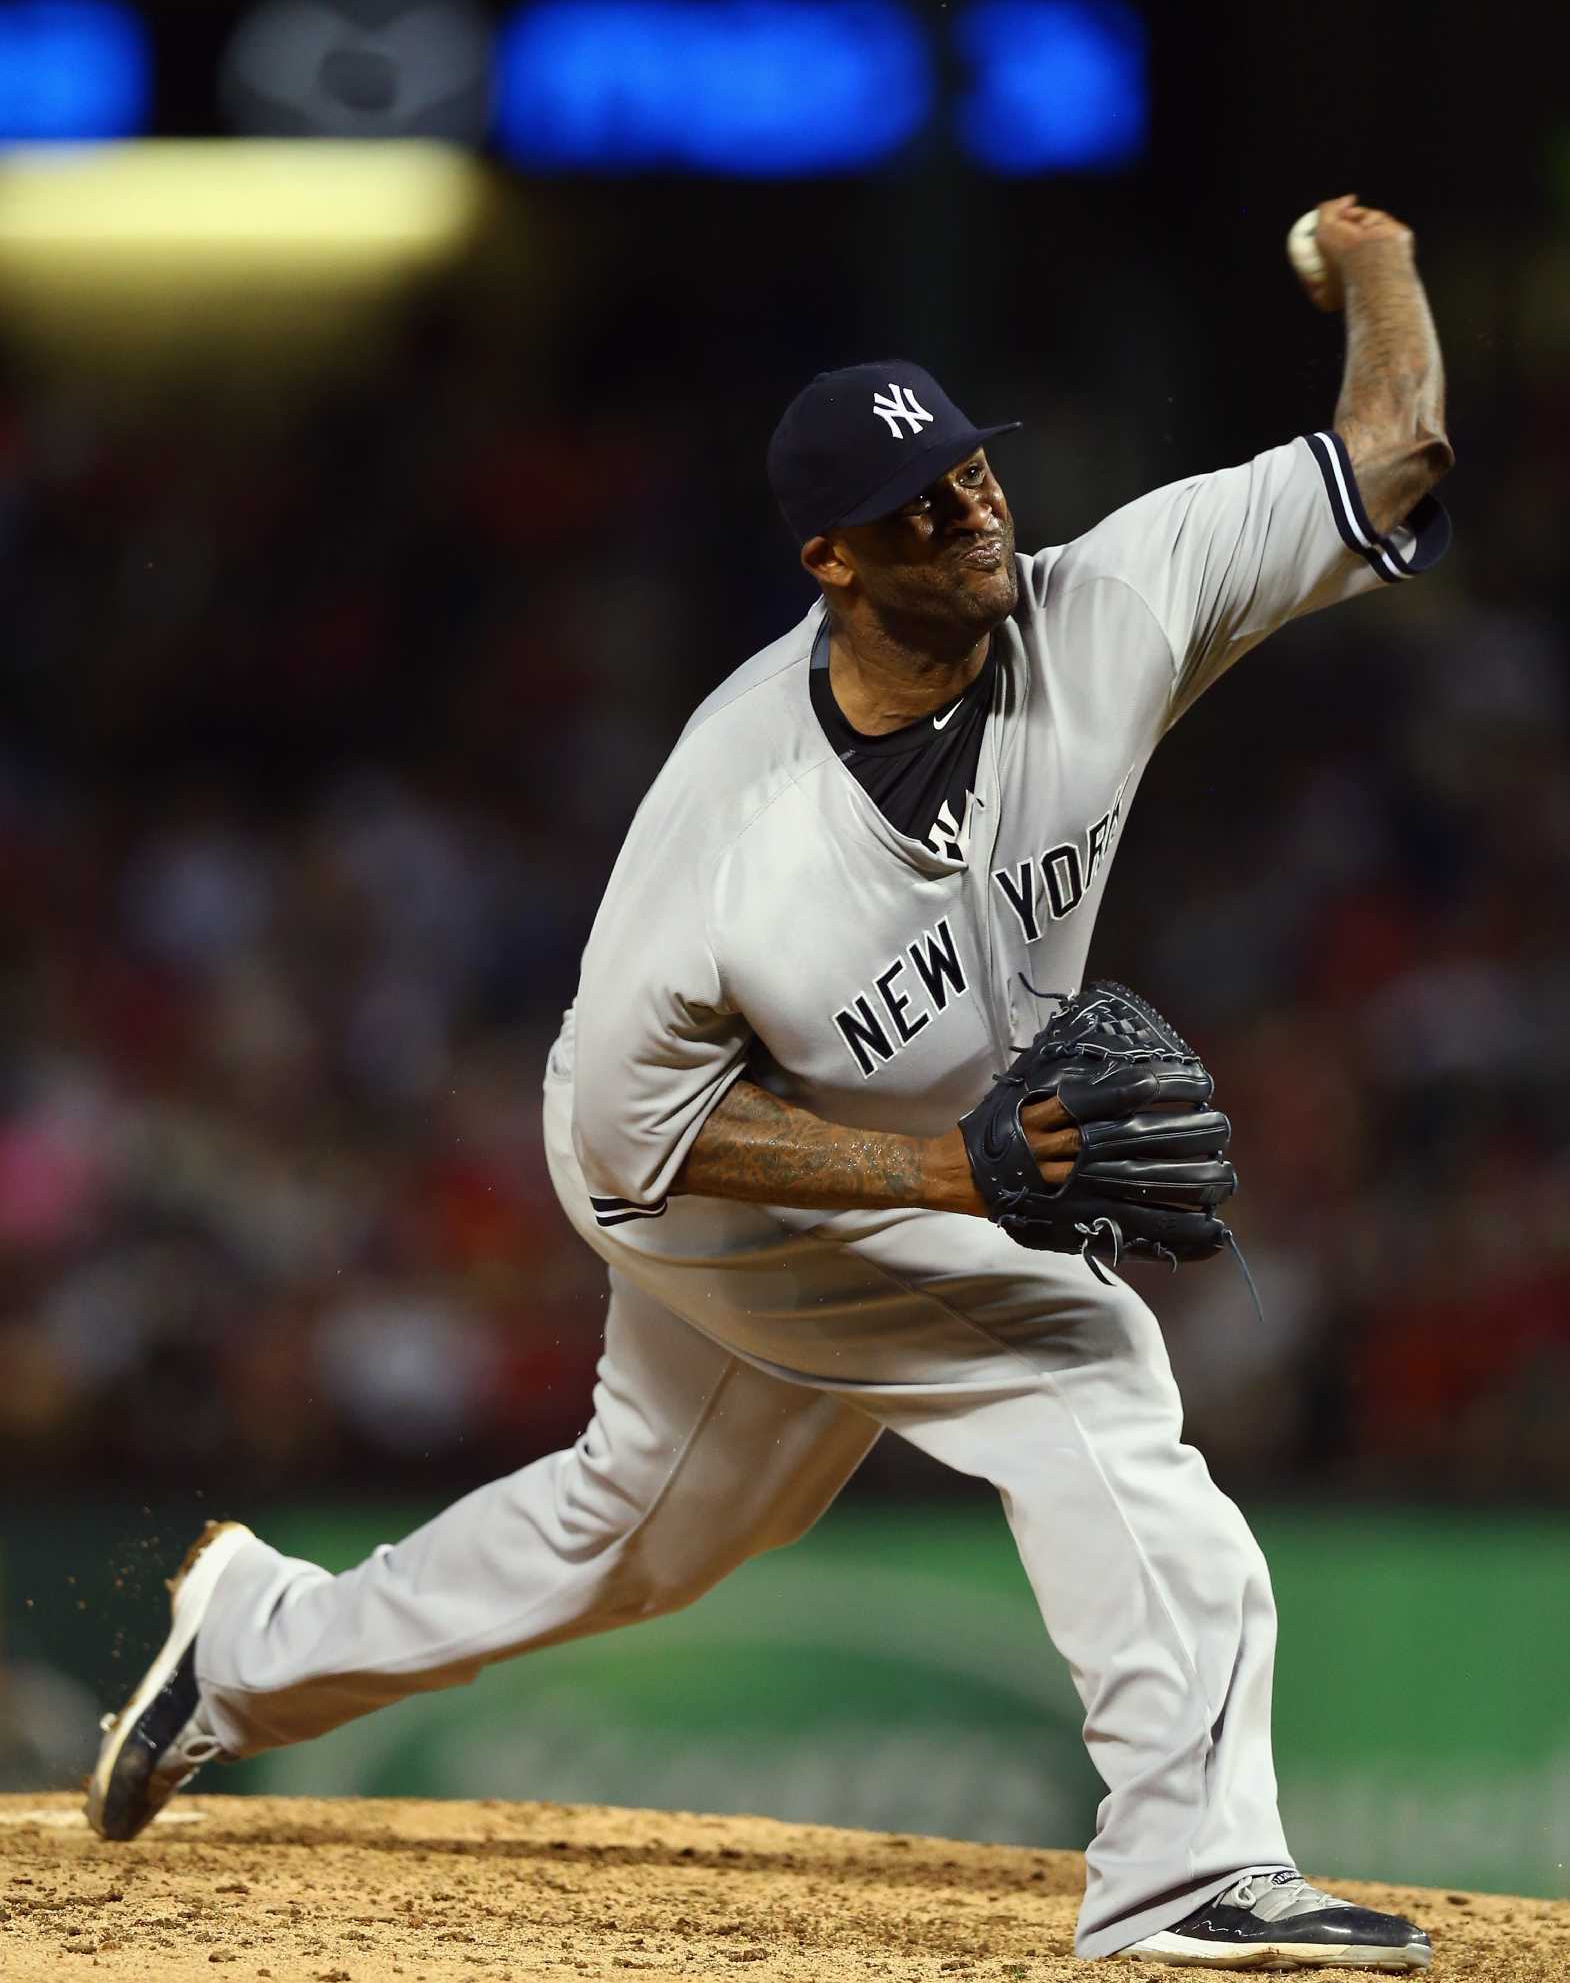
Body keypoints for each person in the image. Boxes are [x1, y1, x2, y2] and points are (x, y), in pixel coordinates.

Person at [89, 195, 1451, 1970]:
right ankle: (1185, 1866)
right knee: (1081, 1361)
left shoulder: (1104, 606)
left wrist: (1375, 263)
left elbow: (1393, 451)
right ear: (829, 557)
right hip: (701, 1176)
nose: (968, 512)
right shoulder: (736, 835)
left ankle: (249, 1646)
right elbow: (623, 1136)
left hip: (916, 1147)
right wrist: (961, 1182)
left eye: (971, 474)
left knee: (641, 1533)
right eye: (915, 507)